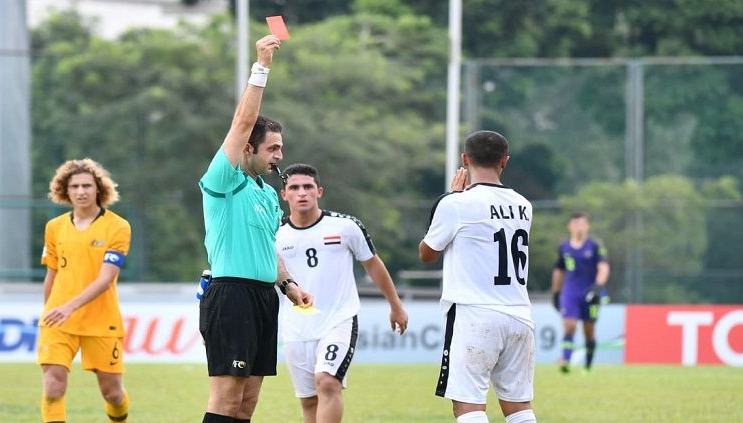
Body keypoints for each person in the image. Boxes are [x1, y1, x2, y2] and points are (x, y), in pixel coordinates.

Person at [197, 34, 313, 423]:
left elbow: (267, 248)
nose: (280, 156)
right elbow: (242, 121)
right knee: (227, 400)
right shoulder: (224, 180)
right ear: (248, 148)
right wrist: (261, 67)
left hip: (265, 297)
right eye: (273, 149)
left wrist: (288, 284)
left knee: (248, 402)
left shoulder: (265, 193)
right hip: (232, 297)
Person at [275, 163, 409, 423]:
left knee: (327, 382)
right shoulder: (274, 233)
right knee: (308, 401)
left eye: (308, 187)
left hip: (339, 320)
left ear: (319, 191)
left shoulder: (346, 226)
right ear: (284, 195)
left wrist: (395, 305)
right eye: (294, 187)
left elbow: (372, 264)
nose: (302, 192)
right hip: (296, 326)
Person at [419, 130, 537, 423]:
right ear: (504, 162)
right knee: (519, 408)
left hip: (474, 313)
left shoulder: (457, 203)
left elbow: (427, 253)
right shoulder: (524, 205)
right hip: (519, 314)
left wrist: (449, 197)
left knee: (468, 407)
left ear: (465, 159)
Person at [37, 158, 132, 423]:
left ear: (98, 189)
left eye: (87, 186)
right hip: (58, 320)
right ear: (64, 191)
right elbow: (51, 274)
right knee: (53, 387)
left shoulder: (118, 227)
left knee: (112, 393)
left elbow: (106, 279)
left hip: (101, 320)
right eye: (75, 186)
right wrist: (49, 311)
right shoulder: (54, 227)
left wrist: (70, 306)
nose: (81, 191)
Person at [550, 212, 610, 374]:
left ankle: (588, 366)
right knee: (569, 326)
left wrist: (598, 286)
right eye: (576, 223)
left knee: (588, 331)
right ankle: (566, 361)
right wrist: (556, 293)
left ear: (588, 226)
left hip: (590, 293)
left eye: (582, 223)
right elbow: (559, 270)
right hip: (570, 292)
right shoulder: (564, 247)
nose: (579, 227)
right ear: (569, 226)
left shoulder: (595, 245)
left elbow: (603, 267)